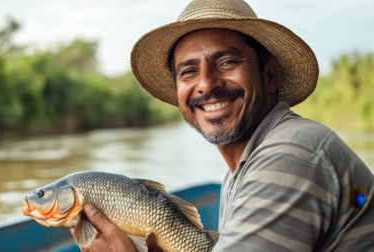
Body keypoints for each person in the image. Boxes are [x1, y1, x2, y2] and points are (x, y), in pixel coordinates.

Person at [80, 0, 374, 251]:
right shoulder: (238, 173)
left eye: (227, 62)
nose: (206, 83)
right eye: (189, 72)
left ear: (270, 76)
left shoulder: (291, 152)